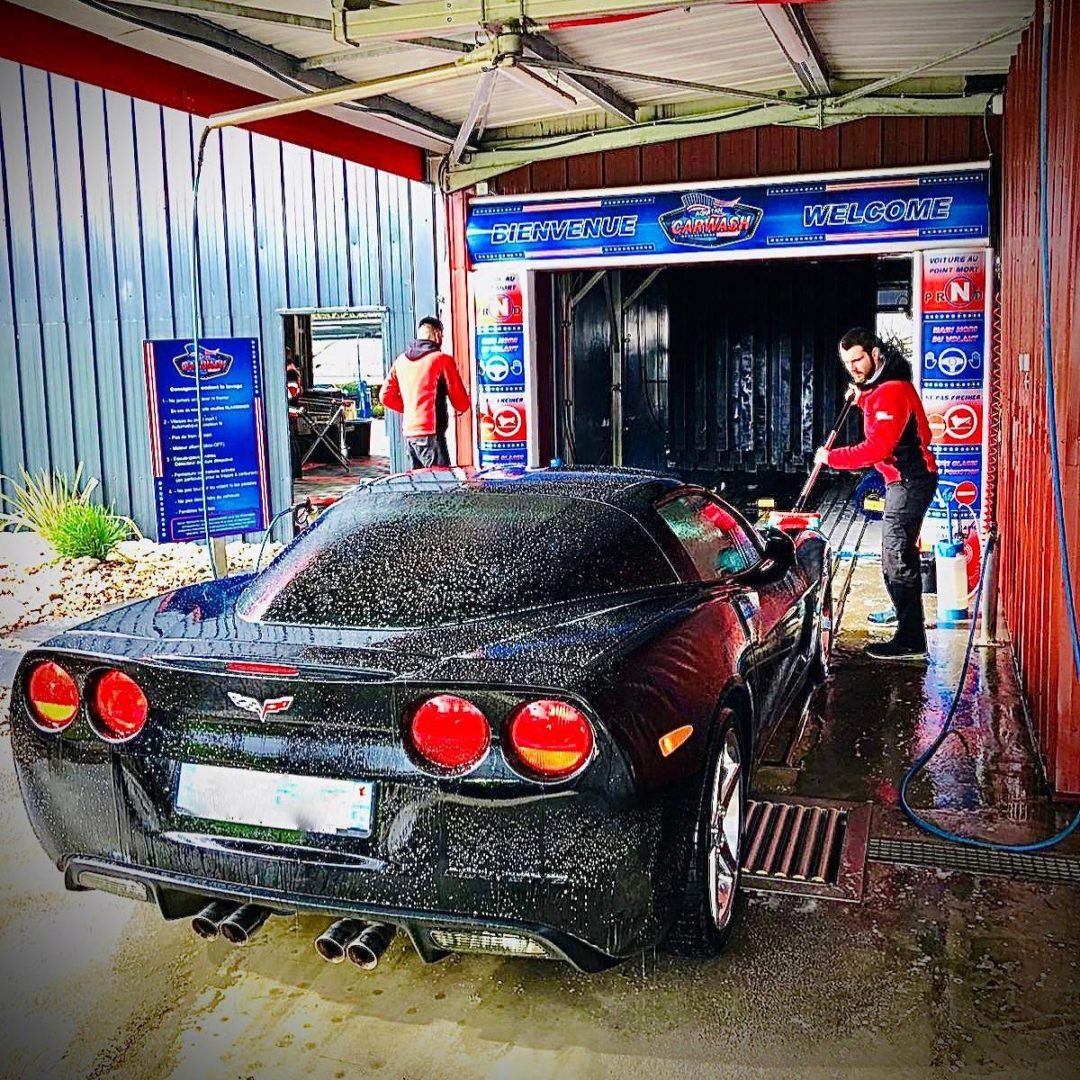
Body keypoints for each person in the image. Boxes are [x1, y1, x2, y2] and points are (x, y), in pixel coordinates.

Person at [815, 328, 938, 660]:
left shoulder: (892, 392)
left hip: (910, 482)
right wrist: (861, 399)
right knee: (894, 557)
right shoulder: (882, 388)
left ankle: (911, 640)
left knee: (896, 559)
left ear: (875, 354)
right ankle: (907, 629)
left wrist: (831, 458)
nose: (853, 367)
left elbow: (877, 447)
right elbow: (882, 414)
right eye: (848, 362)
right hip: (903, 480)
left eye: (858, 359)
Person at [381, 316, 471, 468]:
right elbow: (461, 403)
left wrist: (411, 408)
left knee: (419, 484)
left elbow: (385, 396)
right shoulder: (442, 360)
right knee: (441, 485)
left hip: (410, 434)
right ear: (437, 334)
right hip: (431, 433)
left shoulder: (401, 361)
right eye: (442, 335)